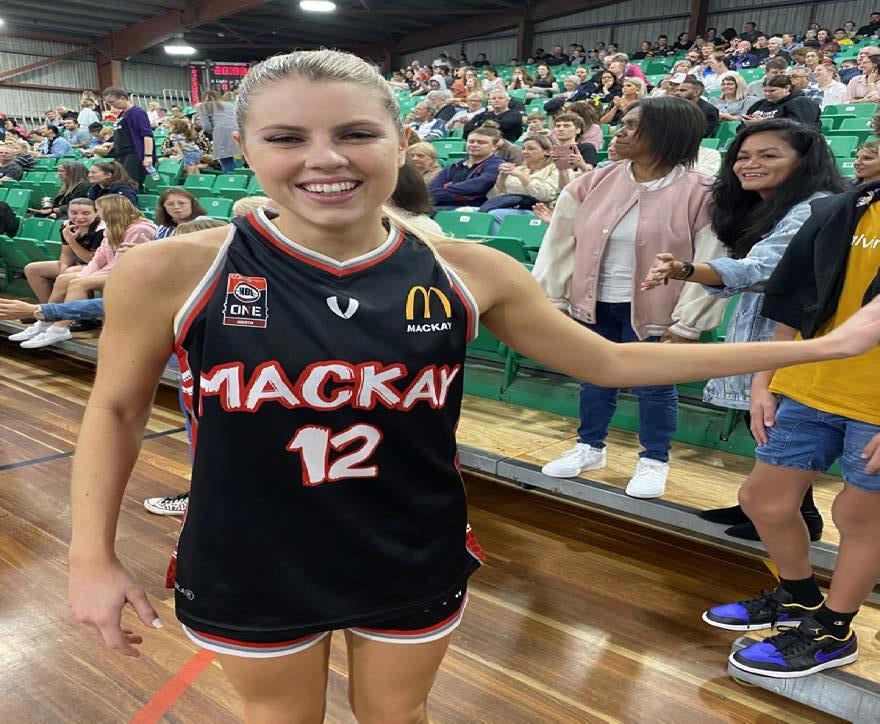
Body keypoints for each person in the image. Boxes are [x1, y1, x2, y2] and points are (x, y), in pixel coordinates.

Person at [66, 51, 880, 723]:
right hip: (248, 554)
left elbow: (614, 362)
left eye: (356, 133)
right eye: (287, 137)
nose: (325, 158)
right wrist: (89, 557)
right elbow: (117, 409)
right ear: (245, 147)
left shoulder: (469, 270)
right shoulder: (172, 268)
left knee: (399, 716)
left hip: (409, 547)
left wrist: (828, 346)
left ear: (400, 142)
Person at [704, 179, 880, 679]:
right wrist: (765, 378)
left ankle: (834, 631)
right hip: (808, 383)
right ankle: (799, 597)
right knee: (763, 499)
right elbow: (799, 300)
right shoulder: (846, 208)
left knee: (861, 517)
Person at [642, 119, 849, 540]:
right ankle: (765, 507)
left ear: (803, 161)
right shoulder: (771, 207)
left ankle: (796, 516)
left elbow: (765, 269)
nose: (750, 164)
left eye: (769, 155)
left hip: (791, 340)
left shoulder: (814, 207)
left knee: (777, 427)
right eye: (743, 156)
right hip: (765, 332)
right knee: (765, 426)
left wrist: (686, 269)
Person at [535, 97, 728, 499]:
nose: (618, 132)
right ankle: (589, 447)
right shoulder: (593, 182)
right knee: (594, 377)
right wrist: (553, 298)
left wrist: (689, 322)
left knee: (654, 387)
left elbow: (712, 259)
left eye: (631, 126)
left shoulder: (703, 192)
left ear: (665, 134)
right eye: (621, 123)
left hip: (659, 308)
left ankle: (654, 459)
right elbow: (559, 243)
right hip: (595, 303)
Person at [15, 195, 156, 348]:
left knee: (79, 283)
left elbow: (120, 264)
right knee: (64, 279)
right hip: (112, 270)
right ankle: (46, 321)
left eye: (99, 210)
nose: (99, 214)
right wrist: (85, 273)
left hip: (133, 274)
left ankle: (60, 328)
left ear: (110, 211)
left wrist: (86, 276)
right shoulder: (113, 226)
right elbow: (99, 257)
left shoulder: (140, 229)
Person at [13, 198, 104, 325]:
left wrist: (71, 240)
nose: (79, 217)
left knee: (70, 273)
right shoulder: (67, 225)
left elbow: (91, 260)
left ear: (96, 213)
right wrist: (63, 269)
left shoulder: (101, 230)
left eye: (86, 213)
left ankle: (84, 319)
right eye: (74, 213)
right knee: (32, 269)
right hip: (80, 264)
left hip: (100, 267)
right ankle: (47, 311)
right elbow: (66, 254)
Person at [485, 134, 562, 231]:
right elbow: (495, 197)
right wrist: (502, 177)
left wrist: (521, 176)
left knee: (495, 214)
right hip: (510, 207)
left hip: (540, 211)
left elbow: (546, 195)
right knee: (471, 212)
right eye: (523, 148)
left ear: (547, 152)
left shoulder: (557, 169)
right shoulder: (519, 169)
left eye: (531, 149)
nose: (525, 152)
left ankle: (495, 241)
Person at [430, 124, 504, 210]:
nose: (474, 145)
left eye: (481, 142)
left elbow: (478, 187)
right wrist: (461, 196)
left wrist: (446, 187)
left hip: (476, 210)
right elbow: (432, 190)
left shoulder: (498, 165)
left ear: (494, 147)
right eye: (471, 141)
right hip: (442, 207)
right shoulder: (455, 165)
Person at [103, 86, 155, 189]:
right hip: (121, 153)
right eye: (109, 103)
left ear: (122, 98)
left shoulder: (137, 113)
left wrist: (148, 156)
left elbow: (147, 135)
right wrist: (113, 144)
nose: (111, 105)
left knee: (130, 184)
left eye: (112, 102)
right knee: (120, 183)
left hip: (133, 154)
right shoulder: (123, 114)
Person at [742, 76, 821, 128]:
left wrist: (764, 123)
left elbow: (800, 127)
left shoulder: (802, 102)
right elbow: (741, 126)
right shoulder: (760, 104)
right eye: (765, 91)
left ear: (787, 88)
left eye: (772, 91)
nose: (767, 94)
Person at [199, 90, 238, 173]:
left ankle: (229, 179)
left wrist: (214, 133)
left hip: (220, 133)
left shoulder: (204, 106)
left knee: (225, 160)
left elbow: (206, 126)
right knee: (232, 158)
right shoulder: (230, 104)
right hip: (236, 131)